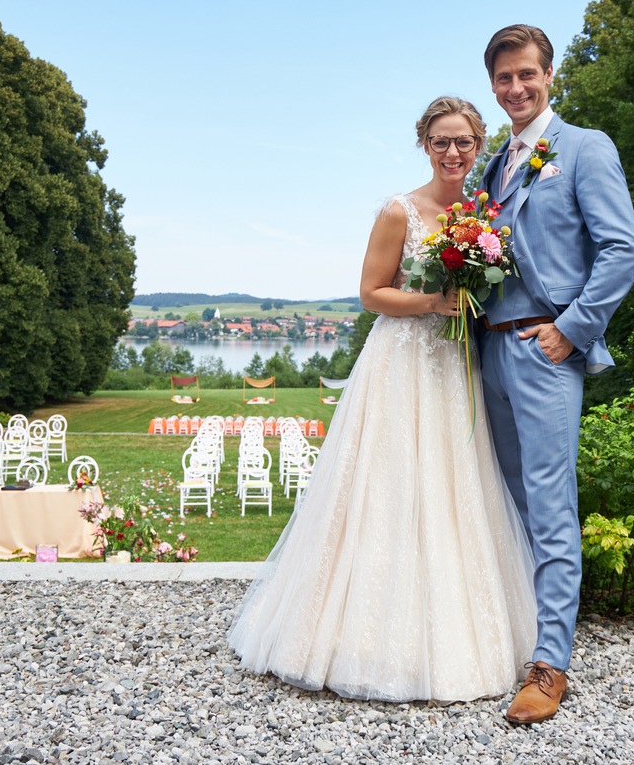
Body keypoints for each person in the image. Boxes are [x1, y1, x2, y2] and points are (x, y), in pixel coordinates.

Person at [228, 96, 536, 703]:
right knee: (388, 485)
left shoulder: (484, 213)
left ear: (479, 147)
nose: (453, 153)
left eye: (465, 143)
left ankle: (458, 634)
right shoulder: (400, 211)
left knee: (454, 484)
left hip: (455, 366)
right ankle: (357, 637)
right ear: (425, 144)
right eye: (442, 141)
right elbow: (370, 293)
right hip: (401, 361)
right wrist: (432, 303)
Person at [478, 24, 634, 724]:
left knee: (549, 508)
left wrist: (571, 328)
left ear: (550, 76)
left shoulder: (583, 148)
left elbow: (622, 248)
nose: (516, 87)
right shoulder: (493, 165)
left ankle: (550, 667)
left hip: (545, 352)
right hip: (487, 353)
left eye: (527, 75)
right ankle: (508, 635)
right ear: (493, 85)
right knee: (503, 501)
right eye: (504, 78)